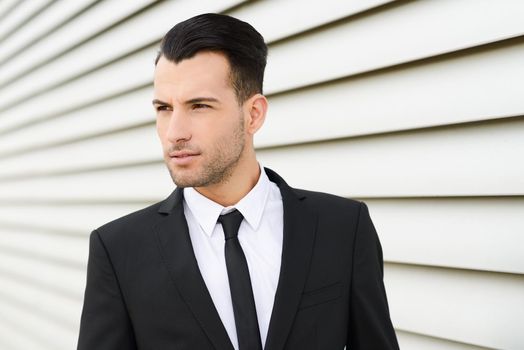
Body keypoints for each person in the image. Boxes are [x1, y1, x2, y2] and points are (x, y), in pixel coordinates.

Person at [77, 13, 399, 350]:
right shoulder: (118, 250)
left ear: (254, 114)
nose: (174, 133)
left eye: (198, 106)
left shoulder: (343, 228)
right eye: (164, 108)